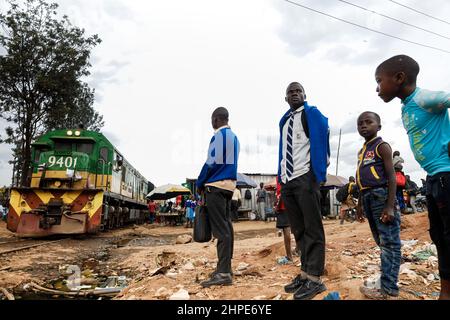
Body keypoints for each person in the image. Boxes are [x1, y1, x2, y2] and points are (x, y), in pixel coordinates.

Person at [375, 54, 450, 299]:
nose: (377, 88)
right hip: (433, 179)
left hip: (446, 176)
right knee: (440, 239)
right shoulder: (407, 105)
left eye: (379, 81)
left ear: (399, 78)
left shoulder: (425, 98)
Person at [278, 82, 330, 300]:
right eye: (291, 92)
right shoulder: (284, 120)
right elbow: (282, 150)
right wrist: (280, 178)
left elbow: (323, 142)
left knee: (313, 228)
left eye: (298, 91)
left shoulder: (312, 114)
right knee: (298, 229)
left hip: (305, 177)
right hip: (288, 179)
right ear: (286, 98)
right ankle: (305, 273)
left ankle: (315, 279)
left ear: (305, 95)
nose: (295, 94)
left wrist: (316, 176)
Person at [355, 111, 401, 300]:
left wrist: (389, 206)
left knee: (389, 243)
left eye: (368, 122)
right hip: (368, 197)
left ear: (378, 126)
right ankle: (387, 282)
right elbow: (361, 179)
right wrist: (359, 204)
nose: (364, 125)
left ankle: (389, 289)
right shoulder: (362, 150)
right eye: (360, 123)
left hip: (381, 197)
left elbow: (391, 177)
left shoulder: (382, 147)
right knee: (381, 242)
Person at [196, 107, 240, 288]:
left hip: (215, 186)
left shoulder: (218, 136)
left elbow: (210, 162)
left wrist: (199, 182)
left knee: (221, 231)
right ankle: (225, 268)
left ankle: (223, 273)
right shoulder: (234, 138)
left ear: (215, 119)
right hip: (229, 187)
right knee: (227, 227)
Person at [274, 177, 293, 264]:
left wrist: (277, 205)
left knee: (286, 230)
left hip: (283, 206)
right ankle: (298, 250)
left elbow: (281, 191)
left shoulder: (281, 175)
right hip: (292, 205)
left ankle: (289, 257)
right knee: (294, 228)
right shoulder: (293, 173)